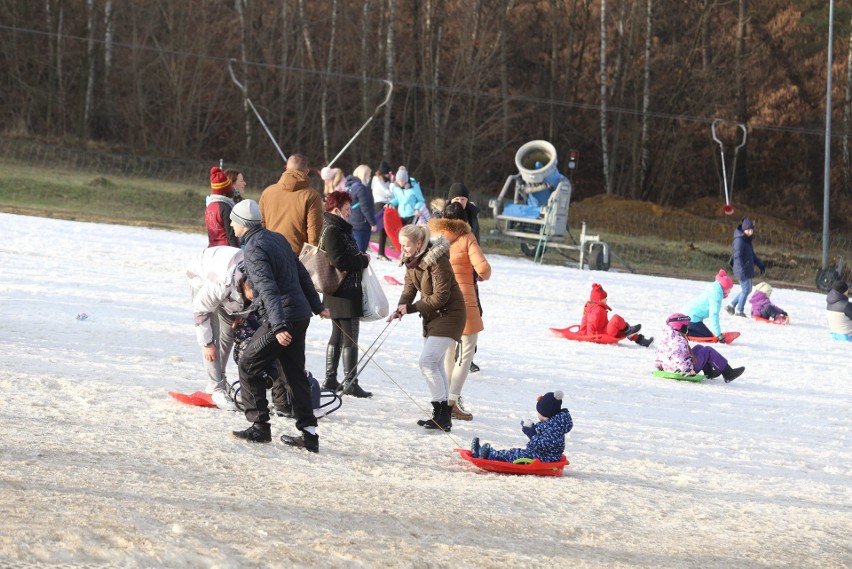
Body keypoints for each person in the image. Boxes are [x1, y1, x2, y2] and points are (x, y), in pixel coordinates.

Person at [228, 199, 330, 451]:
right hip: (299, 314)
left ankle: (259, 427)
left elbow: (267, 288)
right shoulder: (277, 238)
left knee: (248, 363)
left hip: (282, 318)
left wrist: (279, 325)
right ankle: (309, 435)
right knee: (294, 375)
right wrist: (316, 306)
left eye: (233, 220)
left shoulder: (253, 248)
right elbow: (302, 273)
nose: (231, 224)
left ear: (242, 224)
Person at [387, 224, 466, 432]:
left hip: (450, 315)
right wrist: (399, 309)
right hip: (433, 316)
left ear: (419, 243)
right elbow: (409, 289)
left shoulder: (438, 260)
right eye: (401, 245)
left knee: (427, 361)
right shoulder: (411, 261)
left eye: (406, 245)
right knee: (436, 364)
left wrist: (411, 308)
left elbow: (441, 296)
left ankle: (442, 413)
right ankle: (441, 416)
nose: (402, 249)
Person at [428, 201, 492, 421]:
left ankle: (444, 398)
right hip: (464, 301)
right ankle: (452, 401)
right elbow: (483, 268)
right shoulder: (467, 238)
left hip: (442, 300)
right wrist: (479, 276)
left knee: (447, 350)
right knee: (466, 353)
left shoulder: (435, 237)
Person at [320, 190, 373, 398]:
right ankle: (349, 382)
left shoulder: (337, 228)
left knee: (339, 334)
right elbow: (339, 261)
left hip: (340, 290)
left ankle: (331, 379)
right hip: (343, 291)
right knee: (350, 335)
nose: (350, 213)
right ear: (336, 210)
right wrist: (363, 260)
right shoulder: (333, 230)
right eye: (347, 209)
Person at [185, 245, 252, 409]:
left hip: (229, 271)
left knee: (230, 331)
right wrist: (207, 344)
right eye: (252, 295)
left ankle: (219, 377)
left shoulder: (259, 279)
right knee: (212, 336)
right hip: (202, 276)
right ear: (244, 286)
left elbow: (253, 300)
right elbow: (200, 314)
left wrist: (240, 315)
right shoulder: (220, 284)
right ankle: (215, 387)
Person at [470, 391, 573, 463]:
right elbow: (541, 436)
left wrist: (531, 434)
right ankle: (481, 452)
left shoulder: (555, 429)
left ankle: (490, 455)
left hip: (545, 458)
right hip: (539, 454)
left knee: (516, 456)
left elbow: (545, 445)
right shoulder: (551, 424)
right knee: (514, 452)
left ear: (545, 413)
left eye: (538, 412)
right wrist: (530, 427)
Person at [259, 153, 324, 255]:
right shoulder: (312, 196)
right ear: (307, 171)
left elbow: (261, 225)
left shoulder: (267, 192)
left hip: (270, 251)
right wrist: (313, 255)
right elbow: (314, 230)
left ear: (286, 169)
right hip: (296, 256)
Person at [655, 313, 745, 382]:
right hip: (682, 369)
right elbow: (676, 356)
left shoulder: (666, 338)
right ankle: (728, 373)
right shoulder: (678, 341)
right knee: (708, 351)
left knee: (699, 347)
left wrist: (659, 366)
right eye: (686, 326)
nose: (688, 328)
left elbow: (660, 353)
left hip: (668, 367)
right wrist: (687, 370)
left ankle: (709, 372)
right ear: (680, 327)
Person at [578, 283, 652, 347]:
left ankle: (640, 340)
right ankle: (628, 330)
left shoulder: (592, 307)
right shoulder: (597, 310)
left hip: (602, 331)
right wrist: (591, 338)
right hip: (601, 335)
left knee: (621, 328)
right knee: (616, 319)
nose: (606, 300)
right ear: (599, 300)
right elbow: (591, 323)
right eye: (605, 298)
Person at [726, 217, 766, 317]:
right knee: (745, 290)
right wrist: (742, 270)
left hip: (747, 269)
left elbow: (752, 255)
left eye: (751, 230)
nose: (750, 232)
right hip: (741, 269)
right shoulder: (739, 241)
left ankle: (731, 305)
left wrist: (760, 264)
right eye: (748, 230)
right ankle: (739, 310)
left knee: (748, 290)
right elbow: (737, 257)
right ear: (744, 230)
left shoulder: (747, 241)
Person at [682, 269, 734, 341]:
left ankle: (686, 328)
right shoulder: (716, 296)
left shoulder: (715, 290)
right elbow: (714, 314)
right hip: (690, 317)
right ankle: (684, 332)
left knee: (707, 334)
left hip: (690, 316)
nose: (730, 291)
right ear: (723, 288)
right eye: (728, 289)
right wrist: (718, 334)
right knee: (708, 336)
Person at [345, 165, 378, 253]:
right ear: (364, 175)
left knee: (352, 249)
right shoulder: (361, 189)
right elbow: (365, 208)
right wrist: (373, 223)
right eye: (369, 175)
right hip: (361, 224)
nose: (370, 177)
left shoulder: (350, 187)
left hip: (351, 221)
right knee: (360, 250)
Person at [205, 167, 240, 248]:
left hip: (212, 248)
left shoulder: (209, 206)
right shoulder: (226, 207)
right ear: (226, 190)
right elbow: (231, 235)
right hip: (226, 250)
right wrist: (238, 253)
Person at [371, 161, 394, 260]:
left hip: (386, 205)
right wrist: (392, 183)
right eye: (387, 173)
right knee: (375, 228)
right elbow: (388, 193)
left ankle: (381, 252)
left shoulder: (386, 181)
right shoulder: (376, 180)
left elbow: (392, 194)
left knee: (384, 230)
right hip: (379, 205)